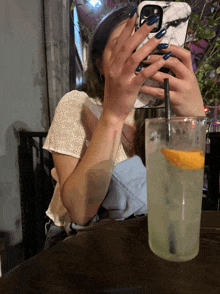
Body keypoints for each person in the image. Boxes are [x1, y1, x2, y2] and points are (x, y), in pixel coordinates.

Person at [42, 4, 205, 250]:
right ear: (98, 64)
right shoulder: (78, 103)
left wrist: (192, 120)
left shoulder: (158, 115)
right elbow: (79, 212)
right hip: (79, 245)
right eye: (122, 48)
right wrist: (113, 115)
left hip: (140, 241)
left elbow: (179, 201)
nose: (135, 58)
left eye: (141, 47)